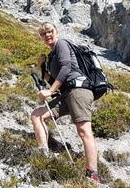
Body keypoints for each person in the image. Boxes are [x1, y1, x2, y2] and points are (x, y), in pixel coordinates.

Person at [30, 22, 101, 183]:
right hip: (66, 93)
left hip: (78, 90)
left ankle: (93, 174)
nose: (47, 35)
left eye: (49, 31)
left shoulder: (62, 44)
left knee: (83, 131)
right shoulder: (52, 55)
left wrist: (50, 92)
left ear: (56, 31)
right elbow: (55, 80)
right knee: (37, 115)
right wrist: (41, 68)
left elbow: (67, 68)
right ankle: (43, 153)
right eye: (43, 34)